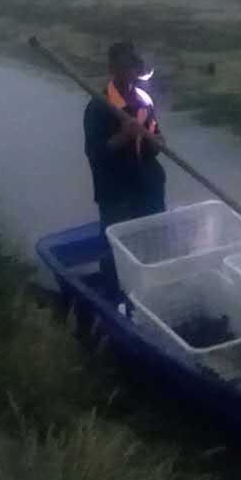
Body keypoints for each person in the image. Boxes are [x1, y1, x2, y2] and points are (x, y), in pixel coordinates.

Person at [84, 42, 166, 297]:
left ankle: (153, 295)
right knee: (115, 252)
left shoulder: (144, 100)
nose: (127, 71)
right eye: (121, 66)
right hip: (117, 193)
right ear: (112, 68)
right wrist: (123, 136)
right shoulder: (99, 106)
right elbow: (95, 154)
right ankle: (113, 297)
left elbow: (154, 139)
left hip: (148, 187)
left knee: (153, 247)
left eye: (131, 65)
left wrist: (158, 142)